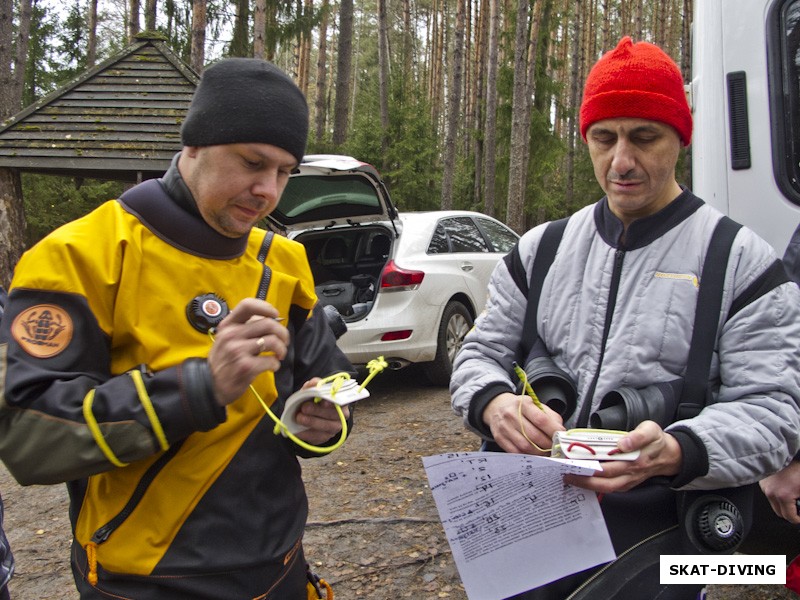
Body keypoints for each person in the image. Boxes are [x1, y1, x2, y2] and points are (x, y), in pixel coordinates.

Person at [451, 36, 800, 599]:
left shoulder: (741, 262)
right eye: (603, 138)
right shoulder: (540, 251)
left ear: (679, 138)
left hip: (664, 534)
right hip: (527, 517)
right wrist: (493, 402)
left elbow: (775, 414)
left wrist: (679, 450)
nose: (621, 162)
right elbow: (478, 352)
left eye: (644, 137)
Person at [0, 58, 354, 599]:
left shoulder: (283, 263)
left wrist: (322, 421)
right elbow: (29, 436)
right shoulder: (81, 255)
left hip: (278, 564)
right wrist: (200, 387)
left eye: (284, 172)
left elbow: (332, 385)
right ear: (193, 145)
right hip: (146, 580)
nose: (266, 190)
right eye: (252, 162)